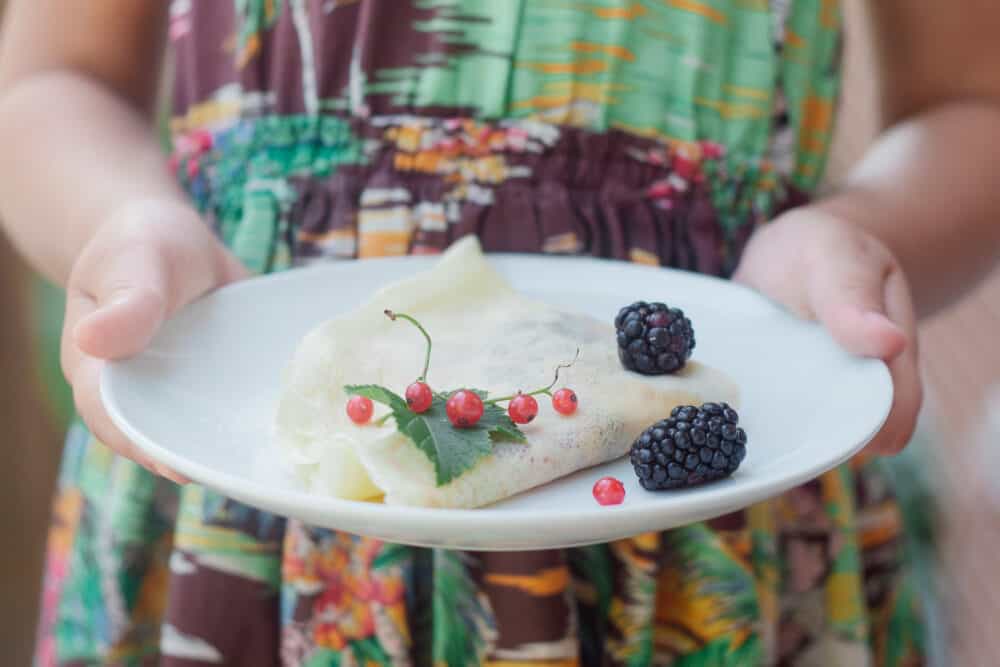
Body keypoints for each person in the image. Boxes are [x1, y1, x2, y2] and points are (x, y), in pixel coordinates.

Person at [1, 1, 998, 664]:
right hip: (229, 452)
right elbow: (49, 83)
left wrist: (857, 234)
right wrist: (121, 222)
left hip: (721, 491)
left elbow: (971, 103)